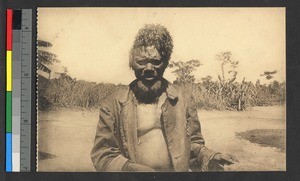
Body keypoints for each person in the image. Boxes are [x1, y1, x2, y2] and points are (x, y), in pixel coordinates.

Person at [91, 24, 239, 172]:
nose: (148, 69)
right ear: (131, 64)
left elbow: (193, 144)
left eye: (156, 62)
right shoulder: (113, 104)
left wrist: (208, 156)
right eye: (141, 62)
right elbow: (102, 154)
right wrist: (130, 169)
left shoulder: (183, 100)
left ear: (166, 63)